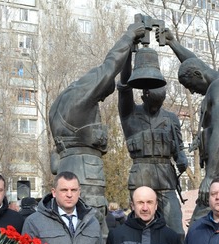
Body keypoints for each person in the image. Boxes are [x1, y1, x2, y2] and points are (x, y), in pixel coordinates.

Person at [49, 23, 146, 230]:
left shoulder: (57, 105)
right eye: (102, 94)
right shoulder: (81, 96)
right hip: (86, 173)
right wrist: (129, 36)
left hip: (66, 166)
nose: (101, 98)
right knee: (93, 228)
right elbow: (109, 66)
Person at [159, 29, 219, 222]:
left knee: (198, 227)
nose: (193, 92)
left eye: (191, 86)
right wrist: (173, 44)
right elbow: (196, 65)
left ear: (197, 75)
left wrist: (209, 177)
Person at [117, 49, 188, 236]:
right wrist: (127, 57)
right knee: (138, 232)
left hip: (166, 177)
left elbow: (179, 147)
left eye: (160, 103)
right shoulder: (130, 114)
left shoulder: (171, 118)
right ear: (143, 95)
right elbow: (124, 87)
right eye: (153, 104)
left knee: (176, 230)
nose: (156, 108)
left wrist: (182, 158)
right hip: (141, 175)